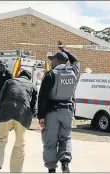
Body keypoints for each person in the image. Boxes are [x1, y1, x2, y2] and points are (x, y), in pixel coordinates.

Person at [38, 41, 80, 173]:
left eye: (52, 59)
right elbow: (76, 61)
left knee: (50, 141)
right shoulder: (74, 72)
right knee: (65, 138)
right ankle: (65, 163)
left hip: (52, 112)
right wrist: (65, 50)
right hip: (67, 111)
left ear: (57, 60)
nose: (50, 62)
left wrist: (40, 116)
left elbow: (43, 96)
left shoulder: (51, 74)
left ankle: (51, 169)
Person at [0, 70, 38, 173]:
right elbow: (34, 108)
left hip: (7, 111)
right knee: (20, 143)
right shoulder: (33, 86)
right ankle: (16, 171)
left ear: (19, 75)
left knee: (1, 139)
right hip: (23, 113)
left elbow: (0, 99)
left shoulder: (10, 81)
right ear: (29, 78)